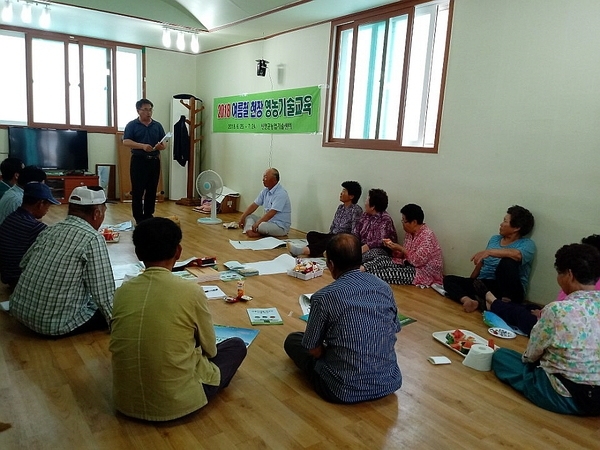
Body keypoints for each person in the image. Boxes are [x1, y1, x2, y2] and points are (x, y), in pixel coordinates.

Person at [110, 218, 247, 421]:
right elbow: (211, 349)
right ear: (178, 252)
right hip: (177, 403)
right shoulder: (190, 291)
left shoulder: (122, 291)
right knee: (236, 345)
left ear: (138, 254)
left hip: (125, 402)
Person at [284, 233, 402, 404]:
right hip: (389, 382)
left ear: (331, 265)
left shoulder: (323, 297)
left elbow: (313, 350)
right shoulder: (384, 287)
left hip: (342, 389)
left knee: (294, 340)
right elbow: (395, 328)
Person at [492, 243, 600, 415]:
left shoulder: (557, 310)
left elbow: (531, 355)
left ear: (570, 275)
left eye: (559, 273)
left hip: (567, 396)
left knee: (502, 356)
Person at [9, 186, 114, 337]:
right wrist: (116, 323)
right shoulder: (92, 238)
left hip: (20, 312)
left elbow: (24, 263)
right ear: (97, 213)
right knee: (122, 305)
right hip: (54, 324)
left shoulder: (50, 230)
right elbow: (104, 293)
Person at [480, 234, 600, 336]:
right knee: (527, 307)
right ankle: (496, 304)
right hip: (555, 319)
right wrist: (545, 312)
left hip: (554, 327)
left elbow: (531, 355)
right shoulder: (590, 287)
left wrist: (545, 315)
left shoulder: (579, 283)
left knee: (520, 317)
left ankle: (493, 302)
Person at [443, 205, 535, 312]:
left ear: (516, 228)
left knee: (508, 261)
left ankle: (500, 303)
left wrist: (490, 252)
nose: (501, 224)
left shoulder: (527, 244)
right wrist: (472, 280)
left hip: (508, 290)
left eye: (505, 221)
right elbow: (482, 262)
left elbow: (517, 255)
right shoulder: (495, 239)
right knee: (449, 280)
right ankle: (469, 300)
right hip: (485, 285)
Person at [361, 203, 443, 286]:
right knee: (382, 260)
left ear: (414, 222)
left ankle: (361, 277)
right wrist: (394, 249)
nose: (402, 223)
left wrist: (401, 248)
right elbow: (404, 255)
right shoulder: (409, 233)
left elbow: (416, 261)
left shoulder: (427, 236)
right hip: (407, 263)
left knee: (388, 273)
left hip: (422, 271)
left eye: (404, 221)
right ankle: (360, 270)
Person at [0, 182, 60, 288]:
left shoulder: (11, 218)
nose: (47, 210)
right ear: (40, 203)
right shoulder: (35, 227)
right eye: (48, 206)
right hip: (22, 280)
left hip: (7, 276)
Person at [288, 181, 362, 257]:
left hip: (342, 239)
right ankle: (325, 251)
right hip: (333, 235)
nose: (341, 193)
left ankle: (303, 251)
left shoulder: (356, 210)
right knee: (311, 235)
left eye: (344, 191)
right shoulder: (340, 207)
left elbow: (354, 232)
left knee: (330, 240)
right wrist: (329, 235)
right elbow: (333, 224)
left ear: (351, 196)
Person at [122, 99, 167, 224]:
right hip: (139, 161)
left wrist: (161, 146)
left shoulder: (157, 125)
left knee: (152, 190)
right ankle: (138, 217)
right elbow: (126, 141)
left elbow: (164, 143)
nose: (149, 112)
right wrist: (142, 146)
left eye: (150, 109)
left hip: (154, 161)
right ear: (138, 111)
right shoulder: (132, 125)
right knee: (138, 190)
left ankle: (148, 215)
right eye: (145, 109)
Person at [238, 168, 291, 237]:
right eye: (263, 177)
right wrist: (243, 216)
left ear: (274, 180)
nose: (263, 180)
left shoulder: (281, 193)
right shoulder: (265, 191)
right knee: (249, 216)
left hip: (280, 226)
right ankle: (250, 230)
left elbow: (272, 213)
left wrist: (258, 223)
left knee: (262, 226)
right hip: (268, 222)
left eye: (265, 177)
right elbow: (254, 205)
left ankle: (256, 231)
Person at [352, 188, 398, 261]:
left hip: (379, 250)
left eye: (367, 200)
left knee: (362, 258)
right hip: (362, 246)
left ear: (373, 206)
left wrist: (361, 250)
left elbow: (380, 241)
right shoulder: (365, 215)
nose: (365, 203)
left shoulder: (385, 219)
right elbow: (356, 232)